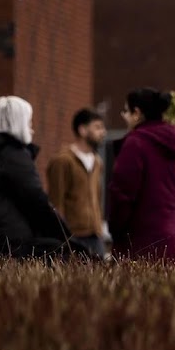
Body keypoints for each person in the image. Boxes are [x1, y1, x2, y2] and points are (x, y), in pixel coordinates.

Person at [0, 95, 74, 259]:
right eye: (29, 123)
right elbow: (36, 199)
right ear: (18, 124)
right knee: (62, 253)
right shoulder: (14, 155)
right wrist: (66, 236)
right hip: (13, 241)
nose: (32, 129)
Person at [108, 88, 175, 264]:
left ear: (137, 113)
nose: (124, 116)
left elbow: (122, 194)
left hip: (143, 241)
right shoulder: (170, 144)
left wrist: (115, 231)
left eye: (125, 111)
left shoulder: (136, 143)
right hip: (174, 238)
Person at [47, 109, 108, 258]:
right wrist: (61, 238)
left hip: (95, 235)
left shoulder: (98, 162)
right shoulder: (62, 161)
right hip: (72, 237)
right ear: (82, 130)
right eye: (97, 127)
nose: (103, 132)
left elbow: (97, 197)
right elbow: (56, 201)